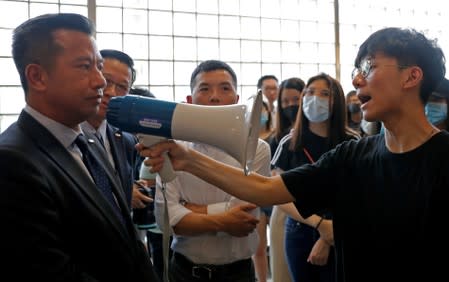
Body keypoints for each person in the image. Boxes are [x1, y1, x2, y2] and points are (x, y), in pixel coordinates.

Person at [141, 27, 448, 282]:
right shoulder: (352, 157)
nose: (356, 80)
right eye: (357, 70)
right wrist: (187, 159)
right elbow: (265, 189)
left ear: (411, 77)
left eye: (369, 67)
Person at [0, 13, 158, 281]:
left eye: (98, 66)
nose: (100, 82)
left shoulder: (89, 141)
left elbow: (126, 236)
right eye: (85, 67)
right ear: (37, 77)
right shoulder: (13, 162)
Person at [153, 59, 271, 282]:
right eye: (205, 89)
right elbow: (166, 220)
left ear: (237, 100)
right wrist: (224, 219)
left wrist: (189, 209)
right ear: (190, 100)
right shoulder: (173, 147)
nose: (215, 96)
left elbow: (243, 217)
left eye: (225, 88)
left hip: (238, 273)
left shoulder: (257, 148)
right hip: (185, 272)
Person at [272, 73, 359, 282]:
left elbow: (357, 194)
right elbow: (277, 193)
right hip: (300, 228)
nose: (314, 98)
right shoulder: (289, 142)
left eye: (324, 93)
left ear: (336, 100)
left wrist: (328, 235)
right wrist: (319, 225)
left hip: (341, 228)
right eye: (309, 92)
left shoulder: (352, 141)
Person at [81, 49, 145, 208]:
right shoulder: (66, 136)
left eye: (122, 87)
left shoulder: (127, 140)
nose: (111, 92)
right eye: (106, 80)